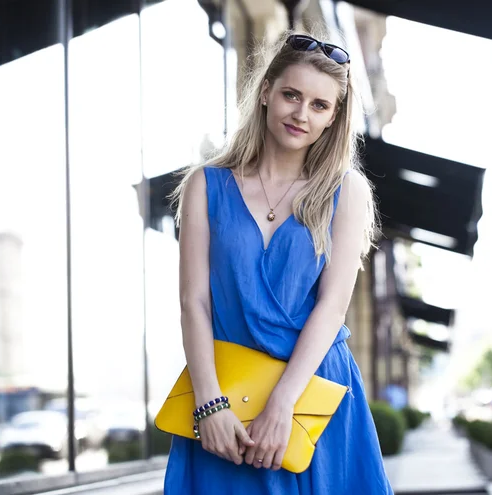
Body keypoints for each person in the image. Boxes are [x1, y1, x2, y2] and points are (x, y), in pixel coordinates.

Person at [164, 30, 393, 494]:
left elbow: (331, 309)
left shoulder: (346, 193)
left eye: (319, 105)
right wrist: (208, 404)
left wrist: (284, 404)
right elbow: (194, 303)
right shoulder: (204, 186)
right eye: (291, 94)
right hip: (223, 400)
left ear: (333, 118)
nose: (301, 114)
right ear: (265, 92)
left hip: (312, 398)